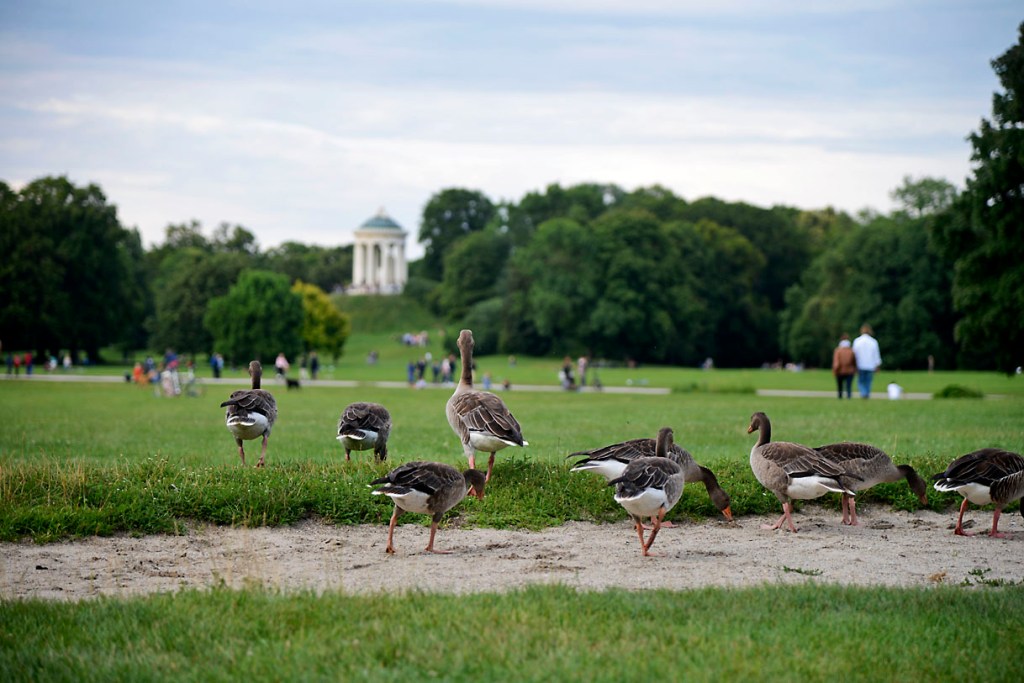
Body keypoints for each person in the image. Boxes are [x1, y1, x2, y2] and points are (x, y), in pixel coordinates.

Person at [852, 324, 882, 399]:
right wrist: (877, 365)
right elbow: (876, 354)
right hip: (870, 365)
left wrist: (853, 365)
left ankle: (863, 393)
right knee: (868, 381)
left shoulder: (857, 341)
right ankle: (866, 394)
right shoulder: (873, 341)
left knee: (861, 381)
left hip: (860, 365)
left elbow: (854, 354)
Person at [831, 333, 857, 399]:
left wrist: (835, 370)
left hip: (840, 370)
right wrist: (855, 369)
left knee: (840, 385)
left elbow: (836, 362)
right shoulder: (851, 351)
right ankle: (849, 396)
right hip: (850, 371)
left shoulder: (838, 350)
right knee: (849, 385)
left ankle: (840, 396)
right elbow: (854, 361)